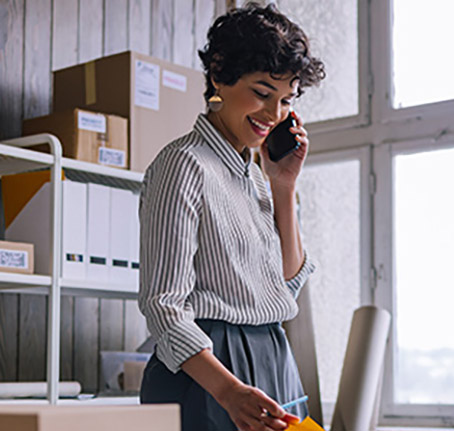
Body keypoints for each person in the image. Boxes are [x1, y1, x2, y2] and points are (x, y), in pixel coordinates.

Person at [137, 3, 326, 431]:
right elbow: (164, 307)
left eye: (286, 101)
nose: (274, 115)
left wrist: (284, 185)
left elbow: (287, 285)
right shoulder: (182, 165)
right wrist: (227, 391)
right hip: (208, 371)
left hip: (272, 358)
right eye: (261, 93)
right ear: (219, 75)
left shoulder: (258, 178)